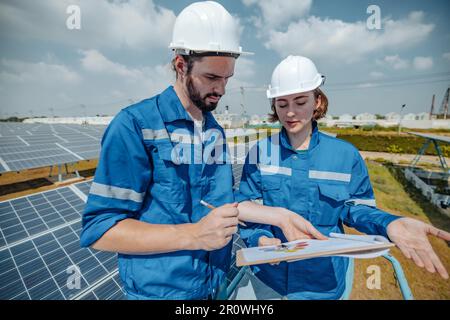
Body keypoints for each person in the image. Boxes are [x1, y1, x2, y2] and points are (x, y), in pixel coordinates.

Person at [80, 2, 323, 300]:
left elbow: (221, 203)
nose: (221, 89)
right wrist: (193, 234)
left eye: (227, 79)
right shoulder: (134, 126)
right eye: (211, 78)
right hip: (162, 293)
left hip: (213, 286)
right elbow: (101, 229)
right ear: (181, 65)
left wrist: (279, 215)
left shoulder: (213, 131)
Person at [236, 55, 450, 299]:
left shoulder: (345, 155)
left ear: (317, 101)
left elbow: (356, 208)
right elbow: (248, 209)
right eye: (282, 104)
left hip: (322, 282)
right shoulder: (261, 153)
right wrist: (261, 239)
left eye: (300, 101)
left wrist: (388, 222)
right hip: (269, 279)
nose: (291, 112)